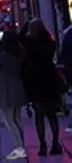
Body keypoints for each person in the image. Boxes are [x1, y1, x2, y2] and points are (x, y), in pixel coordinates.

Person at [21, 19, 65, 156]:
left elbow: (20, 37)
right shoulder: (50, 43)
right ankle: (56, 144)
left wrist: (25, 24)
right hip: (49, 79)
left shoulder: (30, 43)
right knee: (52, 115)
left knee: (39, 116)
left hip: (35, 81)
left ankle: (42, 146)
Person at [0, 33, 28, 159]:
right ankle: (21, 144)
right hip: (18, 86)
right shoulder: (20, 54)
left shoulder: (4, 56)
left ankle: (19, 146)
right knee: (17, 118)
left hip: (7, 88)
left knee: (8, 119)